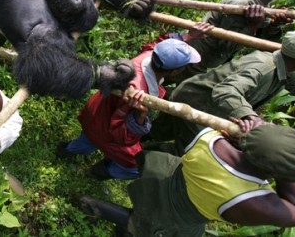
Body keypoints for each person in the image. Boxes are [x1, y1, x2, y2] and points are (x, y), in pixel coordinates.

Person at [79, 120, 295, 236]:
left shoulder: (211, 137)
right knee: (142, 227)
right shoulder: (250, 200)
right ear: (276, 170)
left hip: (163, 175)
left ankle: (94, 171)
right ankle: (94, 206)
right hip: (177, 216)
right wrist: (287, 175)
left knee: (141, 198)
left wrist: (258, 137)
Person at [58, 38, 202, 180]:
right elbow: (119, 134)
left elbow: (155, 44)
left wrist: (186, 37)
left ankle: (67, 150)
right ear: (174, 72)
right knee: (137, 165)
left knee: (87, 140)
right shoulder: (138, 94)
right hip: (104, 128)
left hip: (96, 109)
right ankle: (98, 172)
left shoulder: (147, 56)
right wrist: (140, 115)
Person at [161, 30, 295, 154]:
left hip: (203, 102)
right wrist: (249, 116)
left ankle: (142, 144)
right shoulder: (264, 68)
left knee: (163, 131)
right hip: (195, 100)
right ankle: (142, 161)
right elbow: (226, 90)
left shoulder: (287, 69)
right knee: (189, 150)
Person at [171, 0, 295, 82]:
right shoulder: (241, 6)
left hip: (200, 55)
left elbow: (261, 36)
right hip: (194, 55)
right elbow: (227, 44)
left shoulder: (261, 0)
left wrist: (274, 24)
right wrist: (253, 25)